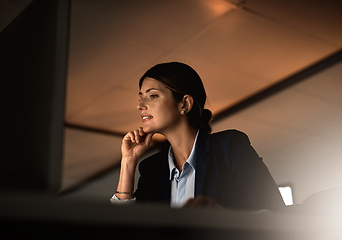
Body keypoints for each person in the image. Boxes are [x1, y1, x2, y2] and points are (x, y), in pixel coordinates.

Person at [110, 62, 285, 211]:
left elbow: (275, 213)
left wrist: (220, 217)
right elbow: (126, 230)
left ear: (185, 103)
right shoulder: (151, 169)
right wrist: (128, 161)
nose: (140, 105)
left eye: (152, 96)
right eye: (141, 97)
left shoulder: (229, 147)